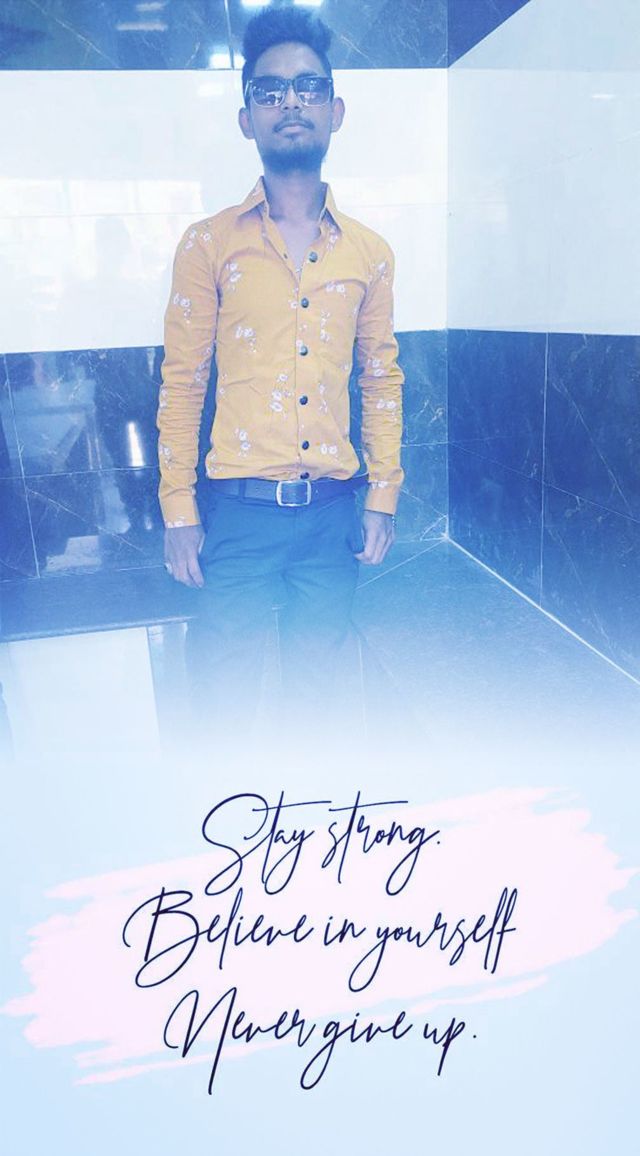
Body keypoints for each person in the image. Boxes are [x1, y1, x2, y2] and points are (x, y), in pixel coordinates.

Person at [157, 7, 404, 737]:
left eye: (307, 87)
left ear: (335, 109)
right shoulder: (207, 245)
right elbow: (182, 382)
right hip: (236, 517)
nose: (290, 102)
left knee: (317, 702)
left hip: (331, 517)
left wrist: (383, 495)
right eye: (270, 91)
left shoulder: (370, 253)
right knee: (223, 701)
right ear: (247, 119)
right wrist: (179, 511)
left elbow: (380, 379)